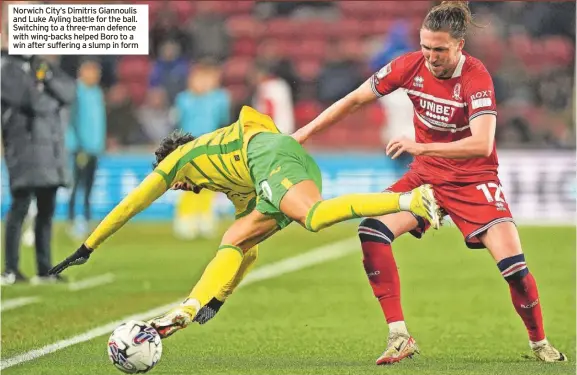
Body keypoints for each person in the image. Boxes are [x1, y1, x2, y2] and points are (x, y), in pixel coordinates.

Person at [291, 1, 567, 364]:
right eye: (425, 46)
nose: (431, 56)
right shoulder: (409, 66)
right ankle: (399, 335)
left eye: (439, 49)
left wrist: (419, 145)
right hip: (426, 178)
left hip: (474, 180)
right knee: (372, 230)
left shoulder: (476, 77)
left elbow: (483, 143)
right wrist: (302, 134)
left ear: (459, 46)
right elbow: (355, 99)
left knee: (515, 270)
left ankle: (539, 343)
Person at [49, 105, 440, 338]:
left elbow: (131, 203)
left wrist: (89, 246)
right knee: (236, 237)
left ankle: (409, 199)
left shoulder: (180, 158)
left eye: (175, 183)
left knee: (316, 218)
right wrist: (219, 296)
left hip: (268, 155)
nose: (178, 187)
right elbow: (246, 252)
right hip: (285, 160)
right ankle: (188, 306)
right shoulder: (229, 185)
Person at [1, 54, 75, 285]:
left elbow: (69, 93)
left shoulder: (43, 67)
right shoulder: (8, 69)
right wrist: (50, 97)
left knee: (46, 212)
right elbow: (30, 101)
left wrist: (47, 80)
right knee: (19, 208)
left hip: (49, 154)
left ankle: (45, 270)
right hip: (24, 152)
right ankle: (10, 270)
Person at [173, 60, 231, 239]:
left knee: (208, 183)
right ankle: (186, 218)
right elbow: (178, 122)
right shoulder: (184, 99)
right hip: (188, 146)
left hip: (211, 145)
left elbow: (223, 121)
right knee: (187, 182)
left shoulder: (219, 98)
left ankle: (205, 217)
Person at [67, 58, 106, 239]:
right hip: (80, 147)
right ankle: (73, 220)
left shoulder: (97, 92)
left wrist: (100, 143)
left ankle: (87, 219)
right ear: (81, 72)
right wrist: (79, 143)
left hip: (94, 147)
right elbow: (72, 119)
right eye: (90, 71)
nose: (94, 76)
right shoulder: (76, 92)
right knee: (76, 185)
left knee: (89, 185)